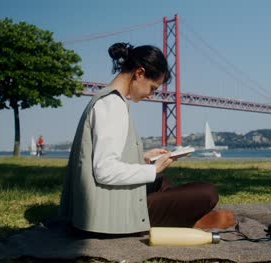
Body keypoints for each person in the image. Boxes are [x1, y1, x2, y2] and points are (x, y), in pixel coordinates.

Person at [59, 42, 233, 235]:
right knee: (207, 192)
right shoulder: (112, 105)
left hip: (103, 203)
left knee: (161, 181)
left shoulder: (107, 100)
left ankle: (180, 217)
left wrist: (142, 158)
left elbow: (102, 158)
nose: (151, 95)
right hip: (106, 216)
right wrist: (152, 169)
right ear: (139, 73)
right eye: (152, 87)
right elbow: (104, 171)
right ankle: (187, 220)